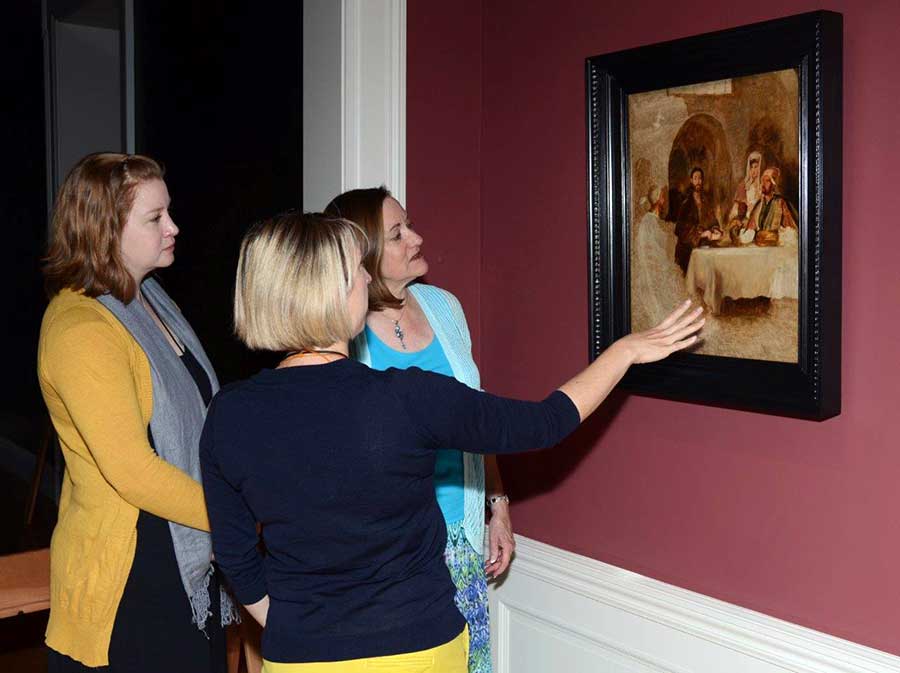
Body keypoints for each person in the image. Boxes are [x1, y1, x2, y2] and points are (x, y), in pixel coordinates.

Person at [200, 211, 704, 672]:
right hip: (419, 650)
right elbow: (547, 422)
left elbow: (236, 555)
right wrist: (626, 351)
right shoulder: (408, 397)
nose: (368, 278)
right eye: (358, 270)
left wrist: (298, 625)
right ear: (329, 290)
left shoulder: (229, 413)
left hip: (301, 656)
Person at [38, 153, 234, 671]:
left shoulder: (148, 301)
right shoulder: (81, 329)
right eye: (155, 218)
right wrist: (232, 517)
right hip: (132, 575)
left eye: (168, 212)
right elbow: (132, 469)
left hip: (182, 549)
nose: (174, 227)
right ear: (105, 230)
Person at [324, 187, 508, 673]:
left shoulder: (444, 307)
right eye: (397, 233)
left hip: (461, 544)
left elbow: (477, 416)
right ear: (362, 254)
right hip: (387, 558)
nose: (417, 238)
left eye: (409, 225)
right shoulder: (340, 330)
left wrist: (498, 506)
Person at [632, 185, 687, 331]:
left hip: (659, 268)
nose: (665, 200)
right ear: (658, 200)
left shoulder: (653, 221)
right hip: (654, 272)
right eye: (663, 197)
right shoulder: (649, 222)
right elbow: (654, 252)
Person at [674, 167, 722, 273]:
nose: (698, 181)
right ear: (691, 180)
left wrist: (715, 230)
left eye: (700, 178)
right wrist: (700, 234)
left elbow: (713, 221)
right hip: (688, 250)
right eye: (695, 178)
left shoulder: (706, 202)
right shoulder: (686, 204)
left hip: (704, 246)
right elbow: (680, 230)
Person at [746, 167, 799, 245]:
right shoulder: (758, 205)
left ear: (774, 184)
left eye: (767, 181)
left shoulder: (781, 203)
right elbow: (750, 230)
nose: (763, 184)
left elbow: (792, 232)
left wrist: (774, 237)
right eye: (762, 181)